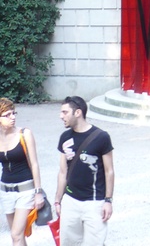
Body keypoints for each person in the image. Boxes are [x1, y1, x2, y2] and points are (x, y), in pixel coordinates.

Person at [54, 96, 114, 246]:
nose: (61, 116)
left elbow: (109, 171)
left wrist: (108, 201)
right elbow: (63, 172)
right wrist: (58, 200)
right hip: (70, 200)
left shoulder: (101, 137)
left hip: (94, 202)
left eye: (65, 112)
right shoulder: (65, 137)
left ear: (78, 112)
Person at [0, 98, 45, 246]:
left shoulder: (24, 134)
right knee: (18, 237)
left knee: (16, 235)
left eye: (13, 113)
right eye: (7, 115)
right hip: (6, 191)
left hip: (25, 190)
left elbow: (34, 164)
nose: (12, 117)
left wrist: (38, 192)